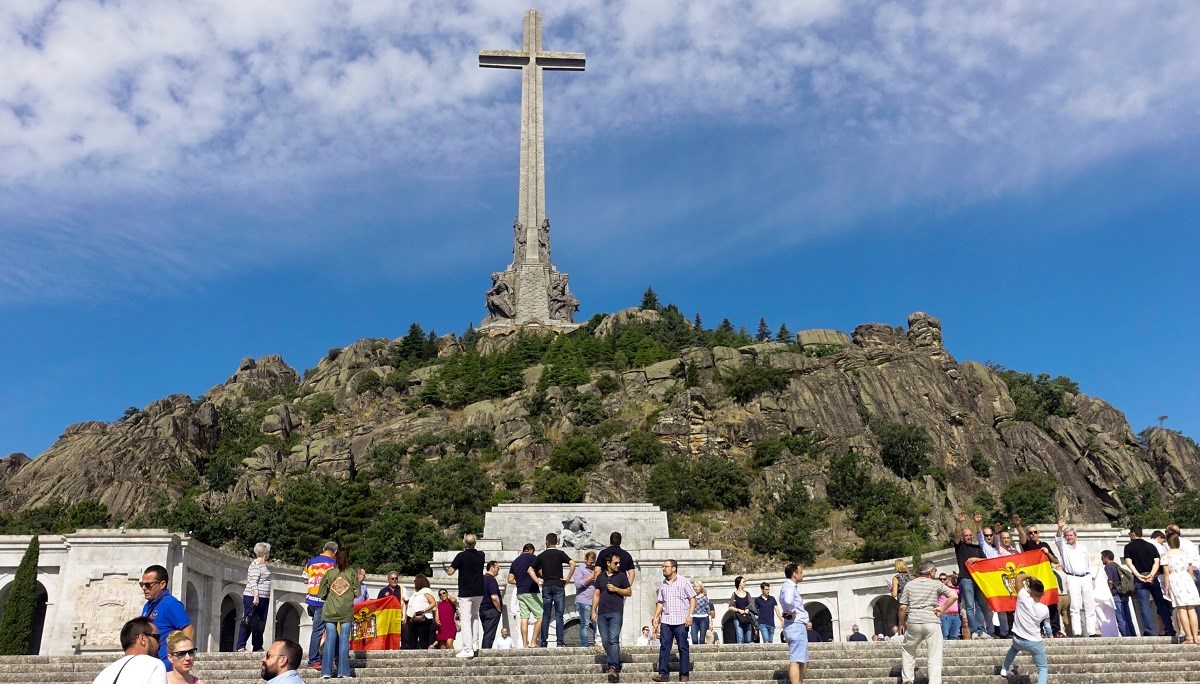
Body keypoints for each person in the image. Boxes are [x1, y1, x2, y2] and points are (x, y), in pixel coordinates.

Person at [898, 560, 956, 684]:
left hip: (914, 620)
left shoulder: (910, 585)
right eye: (935, 570)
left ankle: (908, 679)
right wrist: (942, 608)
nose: (935, 573)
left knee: (908, 649)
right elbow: (953, 596)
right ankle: (934, 682)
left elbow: (902, 607)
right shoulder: (936, 584)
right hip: (931, 621)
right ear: (930, 572)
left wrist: (901, 623)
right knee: (934, 654)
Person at [1013, 515, 1066, 637]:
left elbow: (1056, 561)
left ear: (1039, 533)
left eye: (1035, 532)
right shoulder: (1028, 545)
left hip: (1047, 578)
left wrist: (1048, 554)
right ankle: (1039, 629)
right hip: (1033, 580)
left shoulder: (1045, 545)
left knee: (1052, 603)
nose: (1033, 534)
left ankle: (1055, 629)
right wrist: (1018, 526)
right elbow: (1022, 538)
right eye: (1030, 533)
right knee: (1036, 603)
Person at [999, 572, 1050, 684]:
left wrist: (1031, 576)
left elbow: (1018, 578)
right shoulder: (1045, 609)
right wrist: (1050, 634)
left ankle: (1004, 668)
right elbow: (1047, 624)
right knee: (1042, 668)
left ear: (1030, 590)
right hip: (1035, 642)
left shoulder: (1023, 598)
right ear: (1043, 593)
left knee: (1013, 649)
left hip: (1018, 639)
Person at [140, 565, 194, 671]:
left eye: (148, 584)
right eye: (142, 584)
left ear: (162, 584)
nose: (144, 588)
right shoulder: (147, 606)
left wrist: (178, 660)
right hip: (150, 665)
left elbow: (189, 630)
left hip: (165, 667)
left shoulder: (171, 604)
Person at [1124, 524, 1175, 636]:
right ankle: (1169, 628)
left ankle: (1150, 630)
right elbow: (1157, 562)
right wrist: (1151, 575)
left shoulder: (1129, 547)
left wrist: (1138, 575)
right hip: (1153, 578)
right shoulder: (1151, 546)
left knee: (1144, 605)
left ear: (1133, 533)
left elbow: (1129, 562)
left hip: (1140, 579)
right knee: (1161, 604)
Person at [650, 559, 696, 683]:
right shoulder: (663, 584)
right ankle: (663, 673)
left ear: (674, 568)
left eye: (666, 566)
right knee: (664, 647)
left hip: (681, 620)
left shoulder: (684, 581)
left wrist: (690, 615)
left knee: (683, 647)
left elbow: (692, 598)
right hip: (666, 620)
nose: (663, 568)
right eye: (663, 566)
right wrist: (655, 617)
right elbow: (660, 602)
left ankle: (684, 674)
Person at [1054, 516, 1099, 637]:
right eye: (1067, 536)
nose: (1069, 537)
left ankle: (1092, 631)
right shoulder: (1064, 547)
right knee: (1075, 605)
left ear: (1075, 536)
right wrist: (1060, 527)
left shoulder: (1083, 548)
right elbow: (1058, 539)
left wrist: (1092, 578)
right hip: (1072, 577)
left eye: (1071, 535)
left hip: (1085, 577)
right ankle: (1077, 632)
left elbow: (1088, 564)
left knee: (1089, 604)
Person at [530, 532, 575, 648]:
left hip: (547, 585)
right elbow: (572, 564)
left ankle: (544, 641)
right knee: (559, 614)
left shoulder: (542, 555)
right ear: (556, 542)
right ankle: (560, 641)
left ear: (546, 541)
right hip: (559, 585)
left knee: (546, 614)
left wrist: (538, 581)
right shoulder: (560, 554)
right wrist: (568, 578)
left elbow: (530, 569)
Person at [316, 547, 355, 679]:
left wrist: (330, 597)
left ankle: (326, 671)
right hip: (346, 610)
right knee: (344, 640)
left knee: (330, 639)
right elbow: (358, 592)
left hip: (330, 610)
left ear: (336, 557)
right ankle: (343, 672)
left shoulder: (330, 573)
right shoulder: (352, 573)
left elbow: (321, 592)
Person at [592, 551, 632, 678]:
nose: (618, 565)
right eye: (616, 563)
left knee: (614, 639)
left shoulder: (621, 576)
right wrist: (593, 611)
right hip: (602, 612)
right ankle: (615, 660)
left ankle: (613, 666)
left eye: (619, 562)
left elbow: (629, 592)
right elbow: (596, 594)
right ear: (608, 563)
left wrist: (616, 589)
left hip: (616, 612)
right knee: (605, 640)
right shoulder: (600, 577)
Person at [446, 532, 486, 658]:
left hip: (466, 592)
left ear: (464, 543)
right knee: (475, 616)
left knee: (465, 619)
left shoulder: (461, 556)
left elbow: (450, 572)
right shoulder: (481, 555)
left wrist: (448, 567)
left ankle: (467, 649)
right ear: (475, 543)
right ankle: (475, 644)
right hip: (479, 591)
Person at [91, 617, 166, 684]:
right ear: (142, 639)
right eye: (157, 637)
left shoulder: (104, 673)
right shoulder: (154, 665)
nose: (160, 644)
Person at [953, 513, 992, 639]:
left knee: (980, 605)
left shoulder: (977, 547)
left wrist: (976, 559)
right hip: (966, 579)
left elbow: (985, 561)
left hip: (978, 579)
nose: (968, 537)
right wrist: (959, 523)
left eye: (970, 535)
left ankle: (981, 630)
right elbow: (957, 535)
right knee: (970, 606)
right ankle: (974, 630)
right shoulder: (960, 547)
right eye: (966, 535)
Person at [304, 542, 338, 669]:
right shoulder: (332, 564)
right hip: (323, 601)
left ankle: (335, 653)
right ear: (335, 552)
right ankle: (313, 660)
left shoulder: (311, 562)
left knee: (322, 629)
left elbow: (305, 579)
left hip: (311, 598)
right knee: (319, 631)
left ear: (324, 549)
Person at [1163, 533, 1200, 644]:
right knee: (1191, 609)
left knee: (1182, 609)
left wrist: (1167, 587)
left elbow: (1166, 573)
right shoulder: (1185, 554)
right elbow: (1190, 570)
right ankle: (1196, 636)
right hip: (1187, 579)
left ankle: (1189, 637)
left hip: (1175, 578)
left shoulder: (1166, 555)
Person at [236, 542, 272, 653]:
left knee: (259, 622)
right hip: (254, 596)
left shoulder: (262, 565)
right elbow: (253, 582)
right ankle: (241, 645)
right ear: (265, 553)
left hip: (263, 597)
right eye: (269, 552)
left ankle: (257, 646)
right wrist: (256, 596)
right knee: (248, 620)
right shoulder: (255, 565)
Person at [779, 563, 810, 684]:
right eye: (800, 572)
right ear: (794, 574)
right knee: (796, 659)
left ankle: (800, 682)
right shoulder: (790, 586)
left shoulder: (788, 586)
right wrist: (792, 611)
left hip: (795, 625)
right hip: (796, 625)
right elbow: (788, 600)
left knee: (804, 659)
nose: (802, 574)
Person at [508, 543, 542, 649]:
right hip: (532, 591)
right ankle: (533, 642)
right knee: (540, 616)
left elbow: (510, 579)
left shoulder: (515, 561)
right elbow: (541, 573)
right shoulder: (535, 558)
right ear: (531, 550)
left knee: (524, 618)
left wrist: (519, 583)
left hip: (520, 592)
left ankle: (524, 644)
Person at [1101, 550, 1136, 637]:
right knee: (1128, 617)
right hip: (1123, 593)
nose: (1102, 560)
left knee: (1120, 618)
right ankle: (1132, 635)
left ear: (1106, 557)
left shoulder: (1108, 567)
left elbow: (1110, 581)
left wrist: (1107, 592)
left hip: (1115, 593)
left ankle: (1126, 636)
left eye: (1102, 557)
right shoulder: (1117, 565)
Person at [572, 551, 598, 647]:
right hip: (583, 601)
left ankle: (597, 643)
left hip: (595, 601)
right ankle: (585, 645)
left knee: (596, 624)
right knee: (585, 623)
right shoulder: (580, 570)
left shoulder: (596, 569)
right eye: (590, 562)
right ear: (585, 560)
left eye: (593, 562)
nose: (592, 564)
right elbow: (578, 584)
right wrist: (591, 577)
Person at [404, 574, 436, 650]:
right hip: (412, 618)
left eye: (415, 581)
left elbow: (433, 603)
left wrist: (424, 610)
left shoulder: (426, 592)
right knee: (412, 638)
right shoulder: (416, 593)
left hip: (424, 618)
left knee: (423, 639)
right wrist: (406, 616)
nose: (414, 583)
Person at [480, 560, 504, 649]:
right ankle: (485, 654)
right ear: (492, 567)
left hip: (482, 609)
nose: (499, 569)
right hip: (491, 610)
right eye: (497, 567)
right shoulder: (491, 580)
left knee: (487, 633)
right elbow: (494, 597)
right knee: (489, 635)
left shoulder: (482, 579)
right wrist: (499, 609)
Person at [727, 576, 753, 644]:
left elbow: (751, 604)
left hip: (747, 617)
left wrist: (747, 609)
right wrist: (739, 610)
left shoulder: (747, 594)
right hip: (738, 617)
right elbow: (730, 606)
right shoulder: (734, 594)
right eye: (743, 582)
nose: (745, 583)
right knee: (740, 637)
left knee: (748, 638)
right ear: (739, 583)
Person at [937, 574, 960, 640]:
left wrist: (956, 579)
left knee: (954, 636)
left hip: (956, 616)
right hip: (944, 615)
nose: (942, 580)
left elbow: (963, 588)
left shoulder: (953, 589)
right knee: (944, 635)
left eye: (944, 579)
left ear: (947, 580)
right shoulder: (938, 590)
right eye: (940, 579)